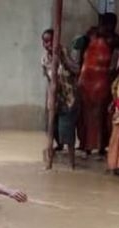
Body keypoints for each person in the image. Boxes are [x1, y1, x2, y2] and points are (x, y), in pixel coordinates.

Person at [77, 13, 119, 157]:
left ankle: (100, 146)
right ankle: (85, 145)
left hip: (102, 79)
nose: (108, 27)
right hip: (86, 78)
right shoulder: (90, 34)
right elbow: (79, 47)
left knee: (101, 114)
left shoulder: (113, 39)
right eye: (105, 24)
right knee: (84, 114)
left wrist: (116, 72)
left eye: (111, 25)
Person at [41, 28, 81, 166]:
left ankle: (72, 164)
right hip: (54, 99)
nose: (48, 44)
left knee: (68, 132)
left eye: (50, 41)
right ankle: (50, 161)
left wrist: (62, 59)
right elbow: (48, 79)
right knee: (51, 129)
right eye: (45, 42)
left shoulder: (65, 52)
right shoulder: (44, 58)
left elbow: (76, 70)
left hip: (69, 98)